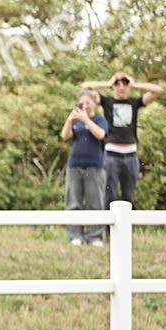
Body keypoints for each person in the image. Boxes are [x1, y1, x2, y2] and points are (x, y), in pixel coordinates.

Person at [80, 70, 164, 208]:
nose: (121, 87)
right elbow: (85, 87)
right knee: (109, 195)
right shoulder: (107, 101)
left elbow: (158, 91)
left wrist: (135, 84)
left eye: (124, 83)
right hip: (111, 156)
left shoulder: (134, 102)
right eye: (117, 83)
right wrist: (108, 83)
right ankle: (107, 229)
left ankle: (126, 228)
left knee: (128, 196)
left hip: (131, 155)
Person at [60, 90, 109, 246]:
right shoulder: (77, 121)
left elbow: (101, 135)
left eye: (88, 102)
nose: (85, 105)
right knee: (73, 201)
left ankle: (94, 236)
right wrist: (70, 120)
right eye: (82, 102)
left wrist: (86, 119)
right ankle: (75, 235)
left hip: (94, 166)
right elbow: (65, 136)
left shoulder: (100, 119)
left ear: (94, 103)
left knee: (95, 203)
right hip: (75, 164)